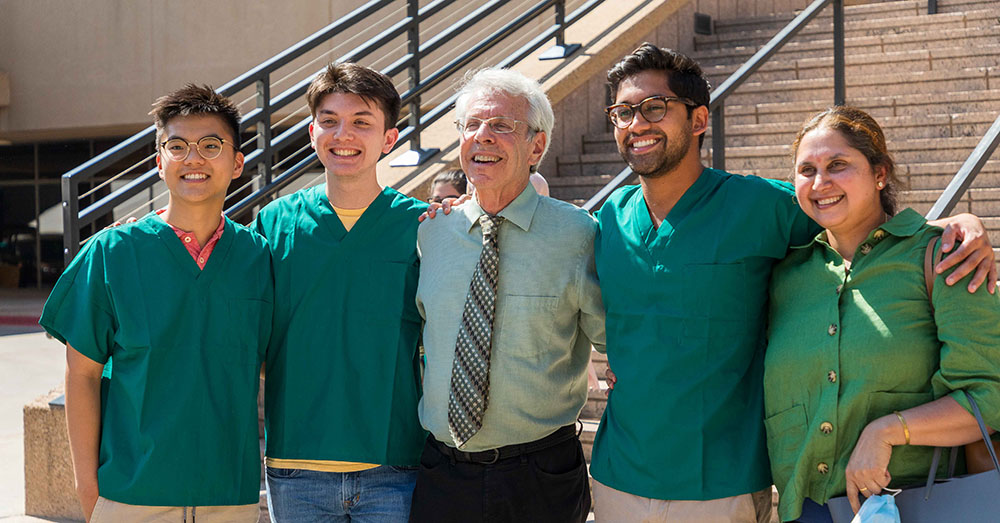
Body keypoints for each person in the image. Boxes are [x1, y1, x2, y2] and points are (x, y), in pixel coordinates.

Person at [591, 43, 996, 523]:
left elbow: (862, 225)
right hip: (621, 475)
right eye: (622, 112)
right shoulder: (606, 221)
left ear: (699, 120)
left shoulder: (761, 207)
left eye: (654, 107)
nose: (637, 123)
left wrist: (959, 224)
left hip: (726, 484)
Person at [40, 85, 272, 522]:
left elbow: (270, 366)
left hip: (229, 497)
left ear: (237, 162)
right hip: (130, 496)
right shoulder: (112, 253)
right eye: (177, 146)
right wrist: (88, 490)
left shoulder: (258, 258)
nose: (193, 159)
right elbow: (82, 374)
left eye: (210, 145)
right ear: (158, 162)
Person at [764, 106, 1000, 522]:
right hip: (805, 511)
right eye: (806, 170)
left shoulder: (946, 258)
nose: (821, 183)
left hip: (918, 506)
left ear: (880, 173)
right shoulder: (783, 276)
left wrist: (889, 430)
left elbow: (990, 396)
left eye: (838, 165)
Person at [409, 68, 605, 523]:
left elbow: (619, 341)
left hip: (541, 477)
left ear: (537, 145)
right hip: (442, 474)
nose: (483, 137)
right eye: (471, 125)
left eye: (502, 126)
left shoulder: (578, 235)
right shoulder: (431, 232)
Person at [254, 63, 428, 522]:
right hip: (296, 465)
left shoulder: (424, 226)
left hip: (393, 463)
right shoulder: (273, 224)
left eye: (361, 122)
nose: (342, 134)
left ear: (389, 138)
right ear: (312, 132)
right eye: (329, 120)